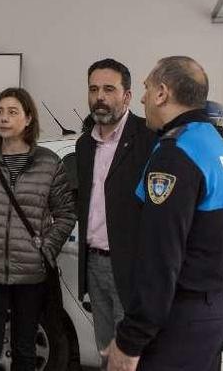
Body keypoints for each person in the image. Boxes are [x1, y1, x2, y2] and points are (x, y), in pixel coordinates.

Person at [104, 56, 223, 371]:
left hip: (181, 319)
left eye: (146, 88)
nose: (142, 99)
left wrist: (130, 339)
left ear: (162, 94)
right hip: (217, 308)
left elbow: (160, 256)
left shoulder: (175, 154)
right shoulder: (215, 146)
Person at [0, 87, 77, 371]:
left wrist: (46, 249)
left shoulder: (48, 163)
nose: (4, 118)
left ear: (28, 118)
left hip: (30, 275)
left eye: (12, 112)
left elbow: (65, 213)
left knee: (24, 350)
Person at [75, 59, 157, 368]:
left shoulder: (150, 140)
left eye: (109, 89)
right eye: (94, 89)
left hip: (132, 270)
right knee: (105, 354)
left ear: (127, 96)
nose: (100, 97)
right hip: (94, 265)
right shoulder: (84, 145)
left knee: (132, 359)